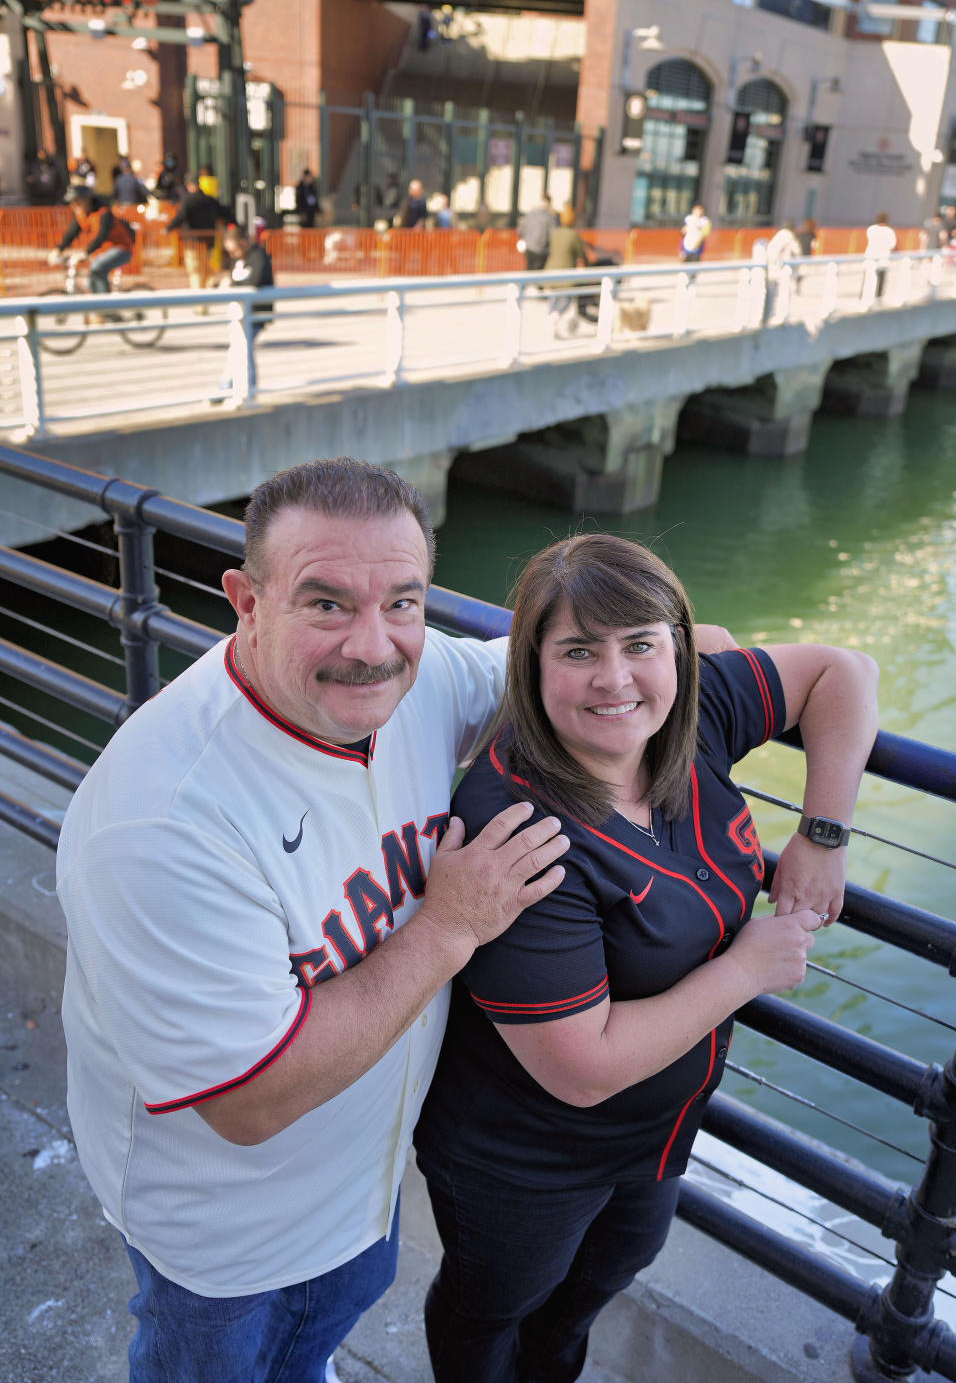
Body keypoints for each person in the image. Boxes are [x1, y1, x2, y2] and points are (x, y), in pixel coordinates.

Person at [55, 456, 576, 1383]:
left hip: (365, 1187)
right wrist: (450, 928)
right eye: (325, 603)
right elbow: (250, 1102)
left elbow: (575, 668)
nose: (373, 645)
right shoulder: (162, 819)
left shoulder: (418, 682)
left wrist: (697, 669)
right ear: (245, 602)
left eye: (404, 603)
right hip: (226, 1241)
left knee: (320, 1334)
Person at [414, 532, 879, 1383]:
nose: (615, 679)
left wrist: (822, 834)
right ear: (532, 664)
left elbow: (841, 672)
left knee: (591, 1292)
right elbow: (582, 1067)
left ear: (677, 647)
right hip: (523, 1154)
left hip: (656, 1132)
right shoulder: (519, 828)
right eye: (578, 651)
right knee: (491, 1311)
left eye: (640, 645)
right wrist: (746, 969)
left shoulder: (690, 717)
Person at [214, 224, 275, 399]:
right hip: (237, 312)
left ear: (243, 242)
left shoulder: (258, 256)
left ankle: (238, 387)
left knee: (242, 347)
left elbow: (254, 282)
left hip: (255, 313)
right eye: (230, 252)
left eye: (234, 250)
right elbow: (233, 278)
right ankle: (233, 387)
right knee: (238, 348)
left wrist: (232, 285)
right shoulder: (236, 259)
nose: (232, 255)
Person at [48, 185, 136, 298]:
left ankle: (106, 307)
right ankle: (97, 306)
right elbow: (72, 233)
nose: (73, 206)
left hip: (121, 249)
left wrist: (85, 253)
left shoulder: (103, 212)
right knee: (91, 278)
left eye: (76, 201)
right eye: (72, 202)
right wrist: (58, 249)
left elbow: (101, 236)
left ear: (87, 200)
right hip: (103, 251)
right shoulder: (81, 214)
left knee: (97, 268)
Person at [165, 173, 236, 292]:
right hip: (208, 242)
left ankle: (200, 302)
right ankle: (207, 295)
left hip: (192, 243)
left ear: (188, 185)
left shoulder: (187, 200)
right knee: (206, 271)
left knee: (195, 272)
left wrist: (168, 228)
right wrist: (235, 224)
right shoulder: (210, 200)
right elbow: (226, 212)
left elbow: (180, 217)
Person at [544, 204, 589, 335]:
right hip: (566, 272)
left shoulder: (555, 233)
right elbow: (581, 253)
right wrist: (588, 265)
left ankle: (552, 322)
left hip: (551, 271)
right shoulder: (573, 235)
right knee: (566, 300)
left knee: (553, 299)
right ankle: (554, 317)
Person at [763, 220, 802, 320]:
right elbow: (797, 251)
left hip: (773, 266)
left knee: (770, 291)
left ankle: (768, 314)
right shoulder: (789, 236)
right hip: (783, 268)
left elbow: (771, 251)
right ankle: (782, 314)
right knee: (784, 291)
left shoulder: (778, 235)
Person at [517, 193, 557, 271]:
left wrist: (525, 238)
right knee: (537, 272)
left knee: (529, 268)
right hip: (541, 249)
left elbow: (520, 229)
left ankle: (524, 282)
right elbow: (553, 234)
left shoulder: (530, 213)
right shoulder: (550, 216)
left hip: (529, 246)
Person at [864, 210, 897, 301]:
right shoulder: (890, 231)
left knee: (868, 277)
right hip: (884, 256)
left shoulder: (871, 229)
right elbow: (892, 245)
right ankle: (878, 298)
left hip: (870, 255)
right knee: (881, 279)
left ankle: (863, 296)